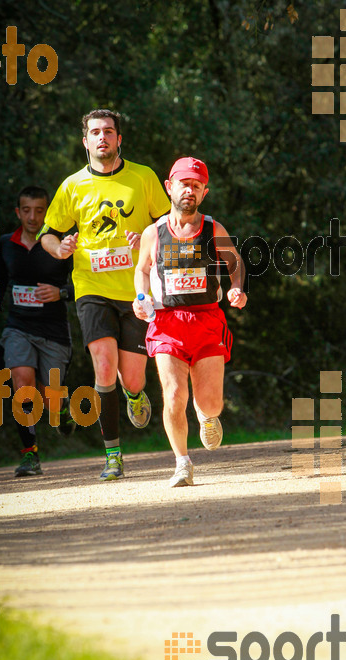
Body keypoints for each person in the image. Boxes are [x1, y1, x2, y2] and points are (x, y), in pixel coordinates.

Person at [40, 109, 170, 480]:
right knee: (103, 365)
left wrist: (146, 236)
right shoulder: (72, 186)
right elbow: (48, 233)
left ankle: (134, 395)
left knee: (132, 378)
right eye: (95, 132)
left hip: (137, 289)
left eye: (109, 132)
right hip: (91, 288)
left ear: (119, 139)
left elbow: (168, 226)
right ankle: (113, 455)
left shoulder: (143, 177)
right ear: (85, 141)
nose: (102, 138)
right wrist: (59, 248)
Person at [133, 156, 247, 487]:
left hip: (207, 319)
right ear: (170, 187)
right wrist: (141, 298)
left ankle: (207, 415)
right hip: (167, 322)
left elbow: (234, 261)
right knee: (173, 394)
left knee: (210, 400)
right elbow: (141, 270)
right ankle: (182, 463)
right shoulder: (154, 233)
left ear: (204, 192)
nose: (189, 190)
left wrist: (237, 287)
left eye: (196, 186)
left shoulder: (213, 229)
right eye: (184, 184)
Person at [0, 186, 75, 477]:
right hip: (18, 327)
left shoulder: (62, 245)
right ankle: (30, 455)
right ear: (17, 212)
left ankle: (60, 410)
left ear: (48, 213)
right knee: (22, 382)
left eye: (39, 210)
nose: (33, 217)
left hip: (54, 330)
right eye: (26, 210)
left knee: (51, 397)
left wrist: (61, 293)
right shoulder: (4, 243)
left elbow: (82, 284)